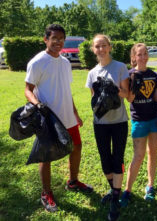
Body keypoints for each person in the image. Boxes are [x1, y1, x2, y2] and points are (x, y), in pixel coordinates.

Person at [24, 24, 93, 213]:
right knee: (46, 156)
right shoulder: (37, 62)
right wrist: (38, 105)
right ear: (46, 39)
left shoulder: (65, 62)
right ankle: (46, 193)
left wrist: (76, 113)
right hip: (48, 118)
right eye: (54, 38)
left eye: (61, 38)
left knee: (76, 146)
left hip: (67, 115)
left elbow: (66, 90)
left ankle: (73, 181)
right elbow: (27, 90)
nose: (58, 42)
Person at [85, 34, 129, 221]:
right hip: (100, 123)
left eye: (104, 45)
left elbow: (126, 94)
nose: (101, 49)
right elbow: (95, 101)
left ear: (110, 47)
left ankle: (115, 199)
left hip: (119, 122)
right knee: (105, 159)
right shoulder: (92, 73)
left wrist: (114, 88)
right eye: (97, 46)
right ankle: (114, 190)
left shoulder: (120, 67)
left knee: (117, 158)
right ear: (93, 50)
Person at [119, 43, 157, 207]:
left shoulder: (153, 75)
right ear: (133, 57)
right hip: (138, 120)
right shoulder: (129, 74)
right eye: (139, 54)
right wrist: (134, 86)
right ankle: (127, 190)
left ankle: (150, 186)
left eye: (145, 53)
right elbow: (130, 99)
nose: (143, 57)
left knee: (153, 153)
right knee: (138, 156)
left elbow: (156, 98)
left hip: (154, 119)